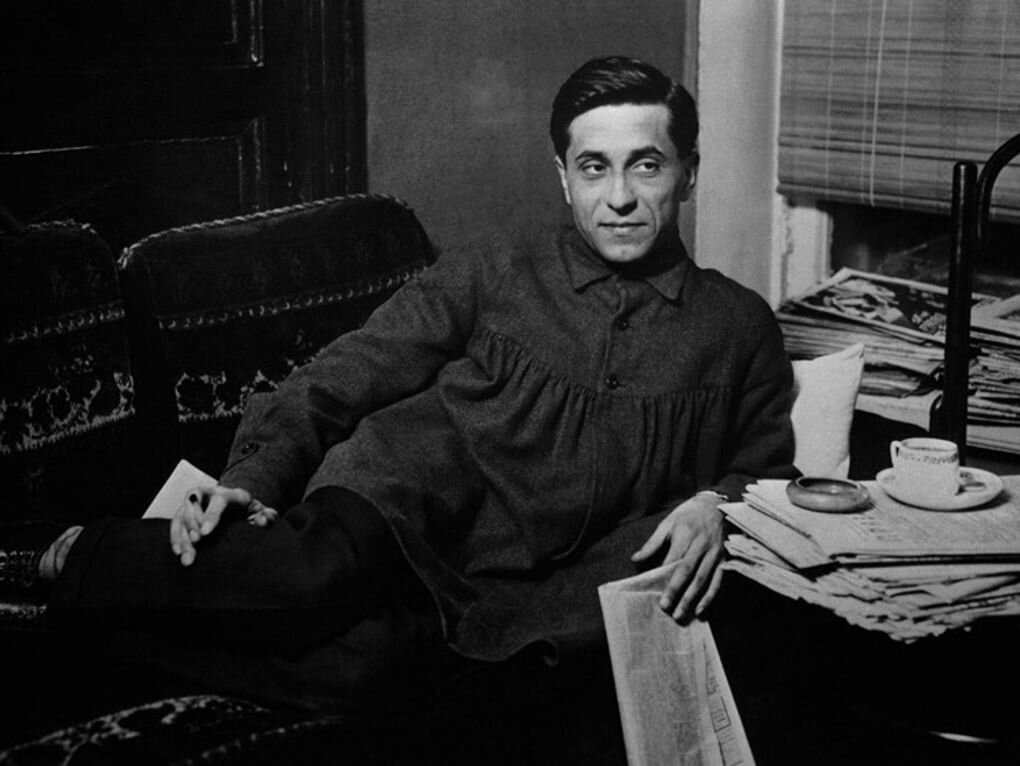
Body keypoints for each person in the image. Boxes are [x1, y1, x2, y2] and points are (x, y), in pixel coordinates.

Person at [1, 56, 796, 715]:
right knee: (308, 577)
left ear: (688, 174)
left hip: (510, 588)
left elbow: (766, 474)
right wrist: (254, 477)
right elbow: (348, 369)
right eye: (594, 167)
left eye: (646, 165)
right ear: (563, 177)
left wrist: (715, 504)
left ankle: (82, 630)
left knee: (364, 674)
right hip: (400, 500)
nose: (619, 197)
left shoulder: (737, 327)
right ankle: (61, 554)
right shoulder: (497, 268)